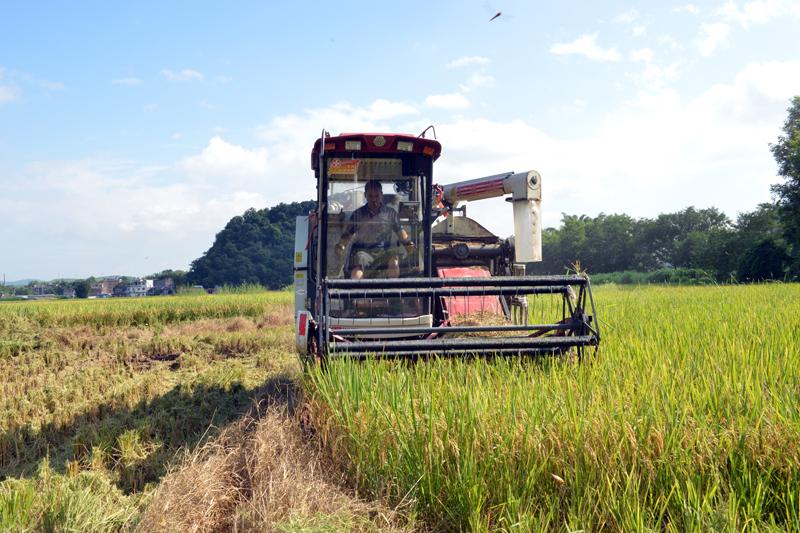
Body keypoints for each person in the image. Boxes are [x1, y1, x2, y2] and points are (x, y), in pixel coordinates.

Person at [334, 181, 415, 279]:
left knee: (394, 260)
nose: (374, 200)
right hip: (364, 252)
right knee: (358, 265)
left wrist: (408, 245)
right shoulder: (358, 214)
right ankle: (356, 292)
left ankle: (393, 293)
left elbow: (400, 232)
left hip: (384, 251)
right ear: (365, 196)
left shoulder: (390, 213)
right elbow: (348, 234)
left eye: (376, 196)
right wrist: (341, 246)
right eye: (370, 196)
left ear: (381, 195)